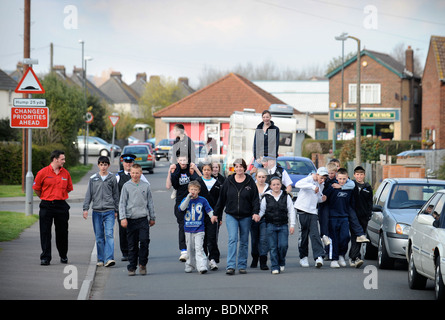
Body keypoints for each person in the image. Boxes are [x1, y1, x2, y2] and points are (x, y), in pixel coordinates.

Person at [214, 158, 260, 275]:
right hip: (231, 215)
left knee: (244, 241)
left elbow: (255, 199)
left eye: (241, 166)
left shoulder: (250, 182)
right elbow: (221, 199)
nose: (239, 169)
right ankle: (230, 266)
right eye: (237, 166)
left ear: (245, 168)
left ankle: (242, 265)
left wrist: (255, 212)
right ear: (234, 168)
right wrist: (216, 214)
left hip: (246, 216)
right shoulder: (228, 181)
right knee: (233, 239)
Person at [33, 150, 73, 266]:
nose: (64, 161)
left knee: (62, 232)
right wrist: (45, 197)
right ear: (55, 159)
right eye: (62, 159)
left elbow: (69, 188)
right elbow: (36, 188)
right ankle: (45, 257)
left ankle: (63, 255)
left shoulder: (66, 174)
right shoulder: (42, 172)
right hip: (46, 205)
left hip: (61, 205)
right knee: (45, 232)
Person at [83, 156, 119, 267]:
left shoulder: (112, 178)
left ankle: (109, 258)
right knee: (99, 236)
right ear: (98, 165)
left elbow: (116, 195)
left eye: (105, 164)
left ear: (108, 165)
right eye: (101, 164)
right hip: (97, 211)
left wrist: (116, 209)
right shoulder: (93, 178)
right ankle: (101, 259)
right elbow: (89, 194)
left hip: (109, 210)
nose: (103, 167)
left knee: (109, 234)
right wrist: (85, 208)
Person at [119, 164, 156, 276]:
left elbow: (150, 202)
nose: (135, 175)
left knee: (144, 241)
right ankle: (132, 266)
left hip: (143, 219)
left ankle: (143, 264)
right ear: (130, 173)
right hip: (130, 219)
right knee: (132, 244)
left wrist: (152, 217)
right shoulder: (126, 186)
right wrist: (123, 218)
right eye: (133, 173)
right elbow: (122, 203)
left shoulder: (146, 186)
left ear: (141, 173)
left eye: (137, 173)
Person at [254, 176, 296, 274]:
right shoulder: (266, 197)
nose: (276, 186)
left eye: (278, 184)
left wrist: (292, 225)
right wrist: (257, 216)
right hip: (270, 225)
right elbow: (262, 210)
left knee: (283, 246)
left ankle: (281, 261)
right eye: (274, 185)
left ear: (281, 185)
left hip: (283, 225)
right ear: (271, 186)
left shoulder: (286, 196)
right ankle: (274, 266)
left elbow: (291, 211)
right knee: (272, 247)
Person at [179, 181, 218, 273]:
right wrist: (188, 198)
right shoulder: (186, 199)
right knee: (190, 249)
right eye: (191, 189)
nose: (193, 191)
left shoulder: (203, 200)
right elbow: (181, 208)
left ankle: (201, 266)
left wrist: (213, 216)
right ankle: (189, 265)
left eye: (195, 190)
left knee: (199, 248)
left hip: (199, 229)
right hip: (188, 229)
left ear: (199, 191)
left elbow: (209, 210)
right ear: (188, 190)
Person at [115, 154, 149, 261]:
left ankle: (135, 251)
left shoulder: (140, 176)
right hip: (122, 207)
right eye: (126, 162)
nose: (128, 164)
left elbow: (147, 189)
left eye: (130, 162)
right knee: (123, 231)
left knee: (136, 232)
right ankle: (125, 252)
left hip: (137, 208)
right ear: (123, 163)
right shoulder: (118, 176)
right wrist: (115, 208)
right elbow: (114, 193)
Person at [166, 155, 200, 261]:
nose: (183, 162)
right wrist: (169, 171)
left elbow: (202, 181)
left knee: (195, 225)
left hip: (193, 202)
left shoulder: (191, 168)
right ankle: (183, 250)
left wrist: (196, 169)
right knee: (182, 225)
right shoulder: (175, 169)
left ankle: (196, 248)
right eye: (181, 160)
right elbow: (168, 186)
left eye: (185, 160)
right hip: (180, 201)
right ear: (177, 160)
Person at [294, 167, 328, 268]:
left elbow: (317, 197)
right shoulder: (309, 179)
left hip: (312, 211)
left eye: (324, 179)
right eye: (321, 178)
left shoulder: (321, 185)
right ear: (317, 175)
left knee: (315, 234)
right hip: (301, 210)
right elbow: (297, 184)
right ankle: (303, 257)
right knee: (303, 235)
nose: (322, 180)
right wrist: (312, 186)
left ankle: (318, 257)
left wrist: (322, 199)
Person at [324, 168, 357, 268]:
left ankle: (341, 255)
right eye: (340, 178)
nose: (341, 181)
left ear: (347, 178)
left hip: (344, 217)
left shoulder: (349, 189)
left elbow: (352, 203)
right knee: (333, 239)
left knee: (345, 237)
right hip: (332, 217)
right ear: (336, 177)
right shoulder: (331, 187)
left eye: (344, 179)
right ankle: (334, 259)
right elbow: (324, 198)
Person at [196, 163, 222, 270]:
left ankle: (213, 259)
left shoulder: (217, 183)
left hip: (213, 216)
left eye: (208, 170)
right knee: (202, 239)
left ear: (212, 171)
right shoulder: (198, 182)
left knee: (212, 238)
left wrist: (219, 217)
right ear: (202, 171)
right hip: (200, 216)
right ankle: (202, 260)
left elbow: (220, 202)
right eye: (204, 169)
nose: (206, 171)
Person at [348, 166, 373, 268]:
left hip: (363, 216)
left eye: (361, 174)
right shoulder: (351, 185)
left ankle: (354, 257)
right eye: (357, 174)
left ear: (364, 175)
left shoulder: (368, 187)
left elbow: (370, 202)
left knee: (360, 237)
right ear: (354, 175)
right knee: (355, 236)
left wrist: (369, 214)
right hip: (353, 216)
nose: (359, 176)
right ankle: (355, 257)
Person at [250, 168, 269, 270]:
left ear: (266, 178)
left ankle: (263, 260)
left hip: (265, 218)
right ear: (256, 177)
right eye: (259, 177)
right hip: (253, 217)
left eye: (263, 177)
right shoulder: (252, 187)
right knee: (254, 239)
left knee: (263, 239)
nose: (261, 179)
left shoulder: (269, 188)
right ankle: (254, 258)